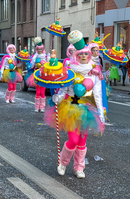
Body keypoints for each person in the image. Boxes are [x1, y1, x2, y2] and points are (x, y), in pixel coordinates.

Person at [45, 30, 105, 178]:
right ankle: (63, 163)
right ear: (75, 56)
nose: (83, 56)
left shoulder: (94, 72)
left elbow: (97, 94)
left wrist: (101, 114)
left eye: (86, 54)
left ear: (89, 56)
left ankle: (79, 168)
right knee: (73, 139)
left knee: (82, 141)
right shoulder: (70, 71)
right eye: (80, 54)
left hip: (87, 109)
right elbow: (63, 88)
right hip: (71, 108)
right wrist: (58, 97)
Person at [28, 37, 50, 112]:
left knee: (43, 91)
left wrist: (48, 60)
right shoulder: (34, 56)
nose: (40, 50)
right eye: (38, 49)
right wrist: (34, 61)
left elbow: (49, 65)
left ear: (43, 49)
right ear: (37, 50)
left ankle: (42, 107)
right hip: (37, 75)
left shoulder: (46, 56)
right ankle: (37, 107)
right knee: (38, 91)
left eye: (41, 49)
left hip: (43, 75)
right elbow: (31, 66)